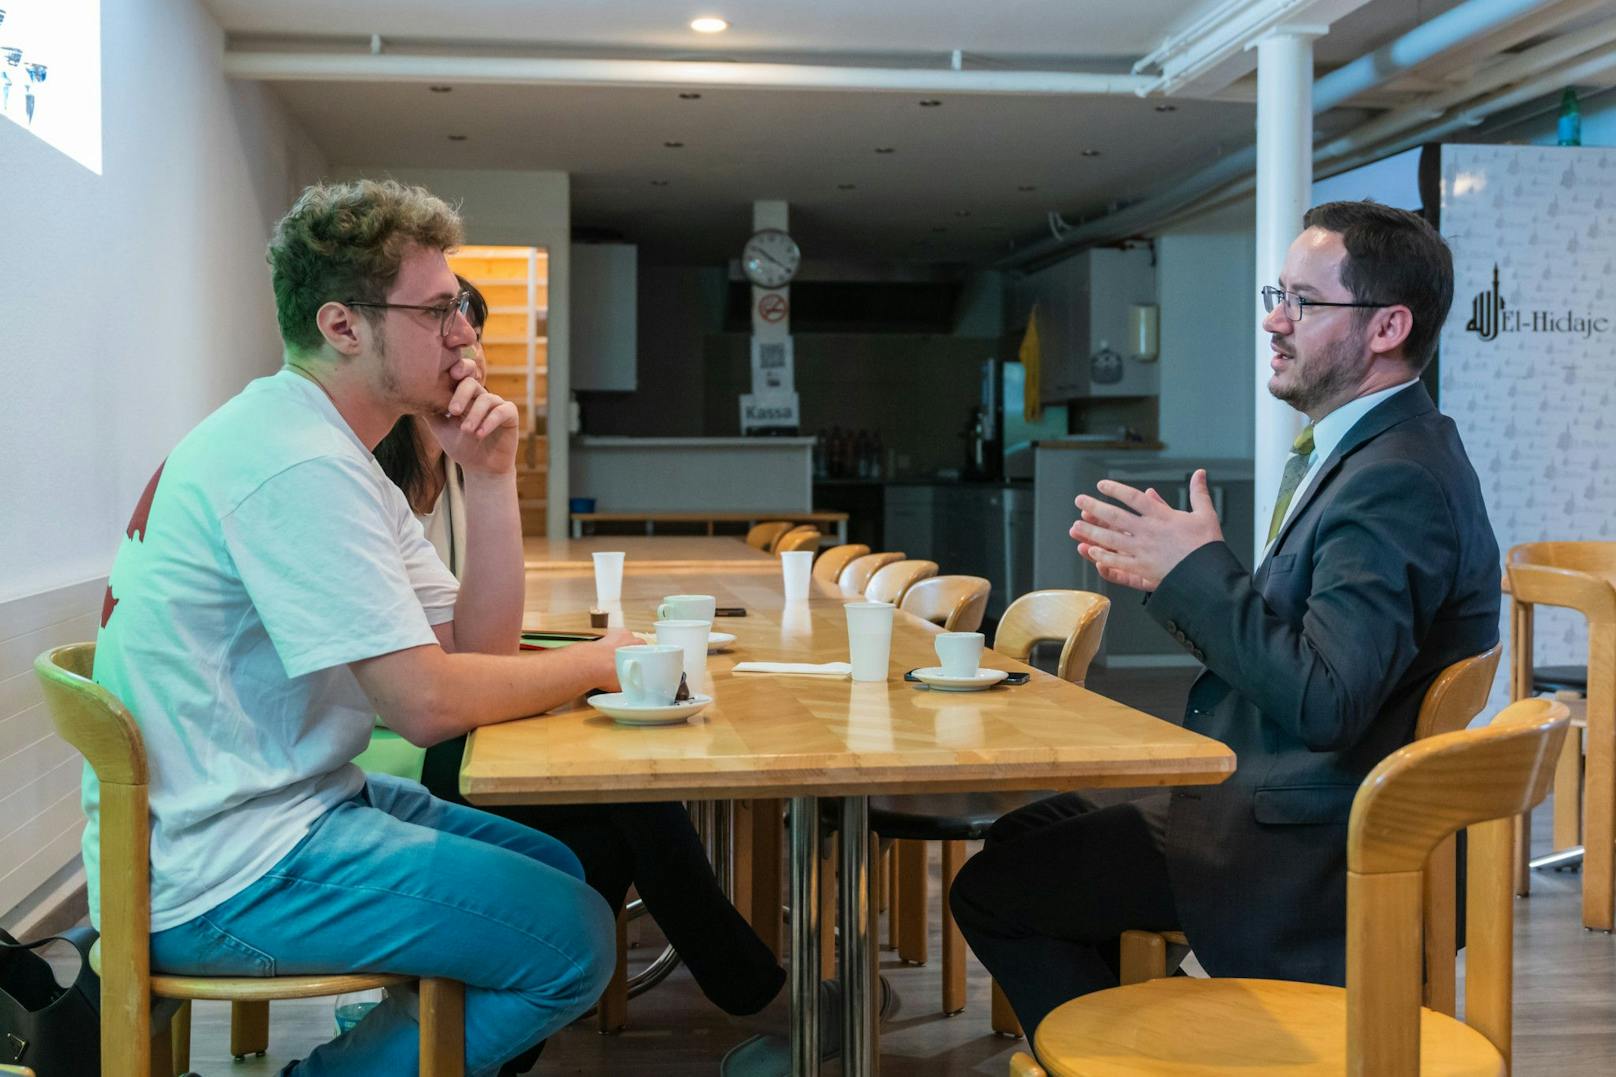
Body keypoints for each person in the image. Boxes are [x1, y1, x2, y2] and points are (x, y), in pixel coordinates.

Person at [91, 179, 635, 1077]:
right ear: (344, 326)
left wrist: (491, 475)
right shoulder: (297, 462)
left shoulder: (324, 447)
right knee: (575, 940)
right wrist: (598, 663)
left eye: (460, 306)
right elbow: (425, 705)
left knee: (560, 866)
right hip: (226, 868)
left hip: (269, 811)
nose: (466, 332)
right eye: (438, 311)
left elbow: (479, 660)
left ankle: (390, 1050)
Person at [949, 200, 1501, 1043]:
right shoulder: (1376, 453)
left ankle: (1140, 1057)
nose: (1276, 321)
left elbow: (1325, 700)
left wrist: (1198, 575)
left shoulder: (1396, 483)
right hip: (1288, 798)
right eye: (1276, 295)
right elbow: (1305, 651)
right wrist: (1186, 576)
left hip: (1311, 842)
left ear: (1389, 326)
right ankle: (1171, 1029)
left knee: (992, 889)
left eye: (1305, 302)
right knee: (1027, 832)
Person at [371, 278, 787, 1020]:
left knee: (610, 812)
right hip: (389, 750)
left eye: (469, 330)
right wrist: (587, 663)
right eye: (442, 326)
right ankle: (742, 981)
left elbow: (471, 645)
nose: (465, 352)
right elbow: (434, 685)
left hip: (423, 726)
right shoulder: (374, 470)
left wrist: (485, 469)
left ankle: (503, 1026)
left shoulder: (450, 461)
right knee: (623, 788)